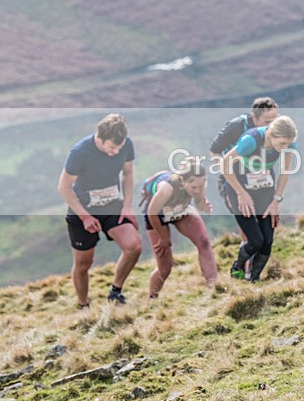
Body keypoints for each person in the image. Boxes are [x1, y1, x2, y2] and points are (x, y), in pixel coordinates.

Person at [57, 113, 142, 308]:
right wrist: (85, 217)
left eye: (119, 148)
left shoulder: (126, 144)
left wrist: (127, 206)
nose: (116, 152)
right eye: (112, 148)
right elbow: (64, 187)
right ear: (100, 139)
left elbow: (128, 174)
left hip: (112, 205)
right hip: (83, 210)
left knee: (134, 246)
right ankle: (83, 305)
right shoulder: (80, 152)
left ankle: (115, 292)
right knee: (83, 263)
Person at [209, 96, 279, 278]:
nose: (272, 126)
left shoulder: (276, 132)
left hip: (262, 181)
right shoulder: (237, 126)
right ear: (254, 117)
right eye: (267, 122)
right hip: (235, 182)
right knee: (249, 231)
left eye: (275, 120)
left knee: (265, 232)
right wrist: (230, 178)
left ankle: (252, 273)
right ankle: (242, 271)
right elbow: (214, 151)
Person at [221, 116, 297, 282]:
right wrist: (241, 193)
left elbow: (285, 172)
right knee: (256, 241)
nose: (285, 148)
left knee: (267, 242)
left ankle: (253, 280)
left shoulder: (288, 144)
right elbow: (225, 164)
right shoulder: (251, 140)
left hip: (264, 190)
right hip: (240, 189)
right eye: (282, 143)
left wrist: (276, 201)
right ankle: (238, 268)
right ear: (271, 135)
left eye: (288, 144)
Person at [141, 159, 217, 299]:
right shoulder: (167, 189)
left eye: (201, 186)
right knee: (165, 268)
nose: (197, 190)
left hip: (180, 209)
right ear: (182, 180)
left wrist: (203, 205)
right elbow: (152, 213)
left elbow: (199, 202)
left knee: (204, 242)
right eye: (193, 188)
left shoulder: (199, 184)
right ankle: (152, 298)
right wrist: (163, 238)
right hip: (157, 216)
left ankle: (214, 289)